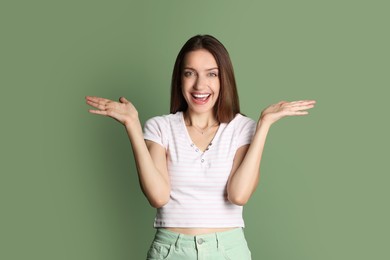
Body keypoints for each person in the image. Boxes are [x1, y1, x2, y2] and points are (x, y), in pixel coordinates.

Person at [85, 34, 316, 259]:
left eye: (211, 74)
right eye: (189, 73)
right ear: (180, 79)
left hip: (228, 250)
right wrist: (132, 125)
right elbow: (158, 196)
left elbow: (239, 194)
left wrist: (264, 125)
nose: (200, 85)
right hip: (170, 250)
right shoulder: (161, 127)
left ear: (223, 79)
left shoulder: (242, 128)